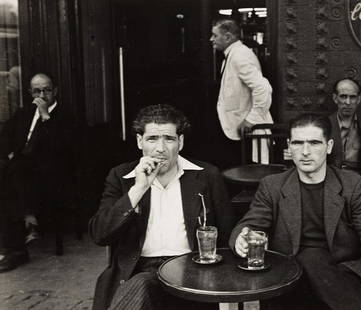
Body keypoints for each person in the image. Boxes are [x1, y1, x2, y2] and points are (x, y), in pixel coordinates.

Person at [229, 114, 361, 310]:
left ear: (329, 146)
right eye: (298, 143)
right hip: (291, 281)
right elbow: (251, 224)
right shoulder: (273, 186)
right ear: (289, 146)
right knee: (307, 259)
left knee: (312, 259)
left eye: (314, 143)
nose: (305, 152)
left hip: (342, 275)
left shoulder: (353, 185)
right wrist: (241, 237)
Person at [89, 104, 229, 310]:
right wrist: (138, 189)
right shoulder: (121, 177)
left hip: (191, 270)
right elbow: (100, 234)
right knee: (142, 284)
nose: (160, 148)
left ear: (180, 142)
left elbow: (225, 233)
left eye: (169, 138)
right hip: (139, 270)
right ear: (140, 142)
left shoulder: (206, 175)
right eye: (152, 138)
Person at [0, 73, 75, 272]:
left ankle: (17, 249)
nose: (42, 95)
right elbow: (4, 136)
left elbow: (62, 148)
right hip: (22, 171)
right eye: (37, 91)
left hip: (50, 174)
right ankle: (26, 222)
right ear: (29, 93)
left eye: (47, 90)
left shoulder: (65, 115)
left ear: (55, 91)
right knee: (9, 173)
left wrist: (45, 116)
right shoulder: (23, 112)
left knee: (12, 175)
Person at [210, 18, 273, 166]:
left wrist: (251, 120)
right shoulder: (233, 54)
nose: (211, 39)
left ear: (227, 37)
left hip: (245, 131)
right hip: (235, 128)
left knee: (243, 170)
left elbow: (263, 88)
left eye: (215, 35)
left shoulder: (240, 56)